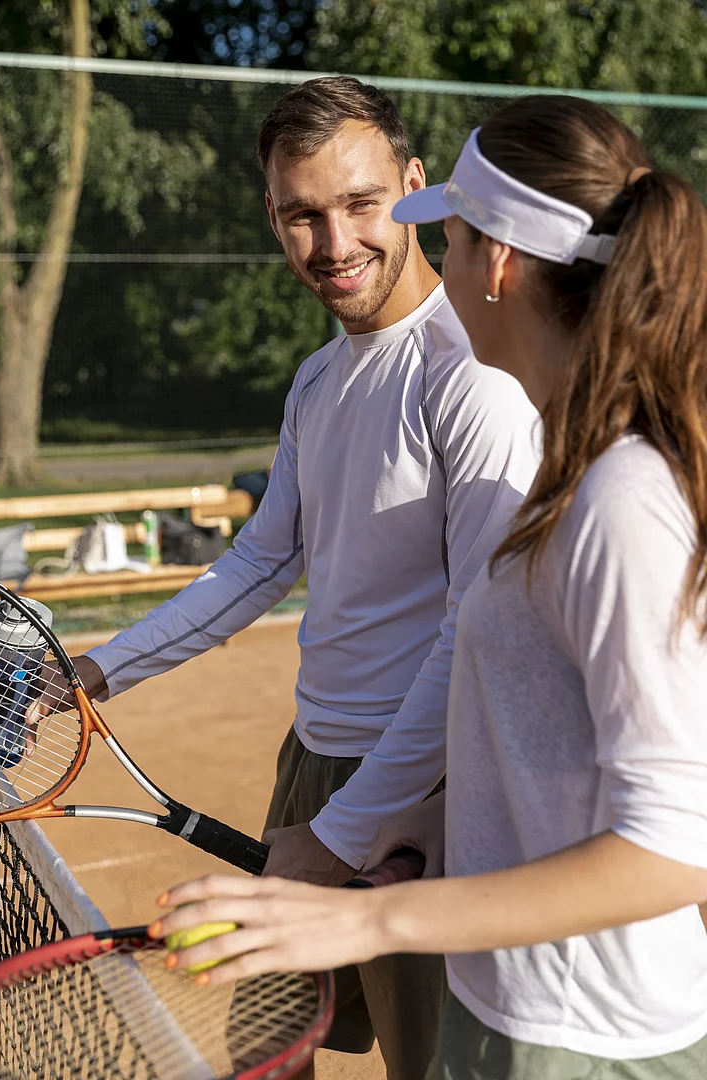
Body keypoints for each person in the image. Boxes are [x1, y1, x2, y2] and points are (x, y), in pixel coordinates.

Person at [151, 95, 707, 1080]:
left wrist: (371, 916)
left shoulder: (621, 500)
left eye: (446, 236)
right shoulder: (571, 474)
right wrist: (422, 824)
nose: (430, 265)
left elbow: (675, 849)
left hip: (586, 1042)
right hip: (517, 1009)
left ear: (497, 263)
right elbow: (549, 748)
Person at [58, 79, 540, 1078]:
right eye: (302, 215)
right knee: (268, 1055)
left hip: (432, 788)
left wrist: (350, 828)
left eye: (361, 204)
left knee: (437, 1067)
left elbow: (476, 627)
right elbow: (259, 562)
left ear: (416, 187)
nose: (334, 243)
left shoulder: (471, 376)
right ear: (273, 217)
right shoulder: (318, 381)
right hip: (312, 760)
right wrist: (96, 671)